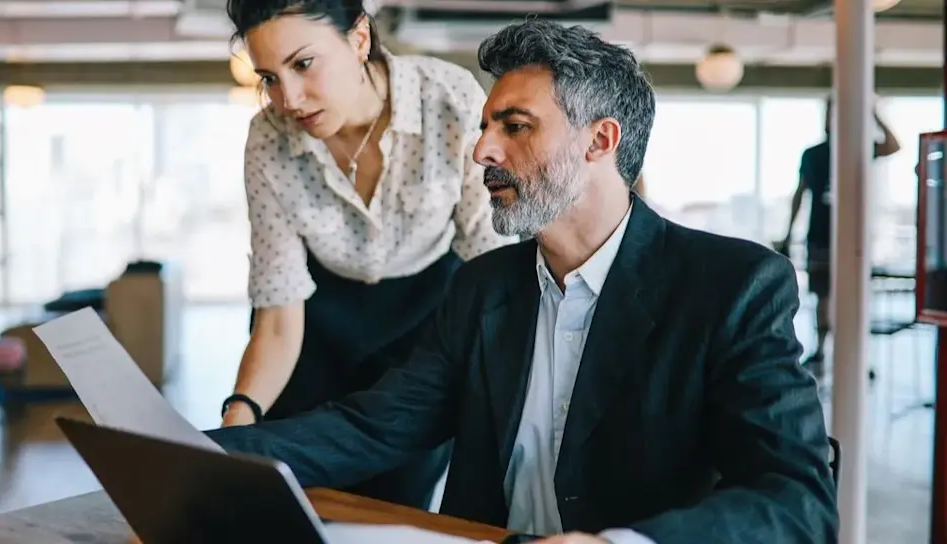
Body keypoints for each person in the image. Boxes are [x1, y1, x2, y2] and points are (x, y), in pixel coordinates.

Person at [208, 19, 836, 544]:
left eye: (514, 126)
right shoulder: (480, 288)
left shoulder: (733, 287)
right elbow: (373, 426)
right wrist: (194, 454)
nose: (481, 150)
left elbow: (798, 504)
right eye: (486, 127)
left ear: (600, 141)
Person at [219, 0, 511, 510]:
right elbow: (279, 321)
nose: (289, 99)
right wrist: (235, 423)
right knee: (283, 494)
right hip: (314, 329)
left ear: (358, 39)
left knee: (394, 506)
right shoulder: (268, 139)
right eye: (269, 78)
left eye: (303, 64)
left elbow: (489, 264)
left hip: (426, 321)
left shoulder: (449, 98)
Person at [780, 99, 900, 370]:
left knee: (851, 297)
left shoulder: (858, 149)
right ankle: (822, 350)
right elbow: (800, 194)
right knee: (822, 296)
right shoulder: (813, 155)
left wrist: (872, 112)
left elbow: (893, 145)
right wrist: (788, 234)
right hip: (819, 236)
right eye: (829, 113)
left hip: (852, 238)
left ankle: (853, 355)